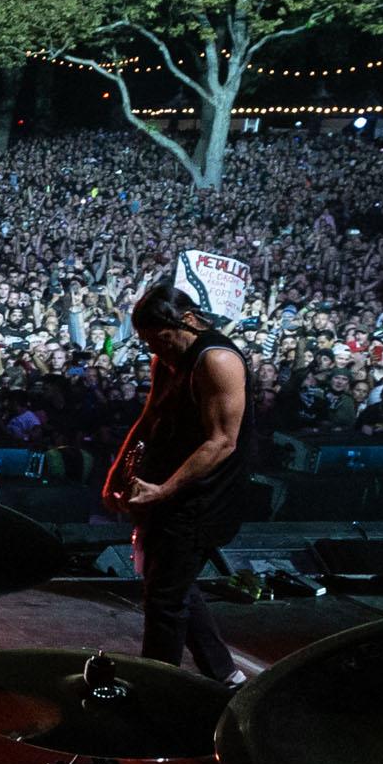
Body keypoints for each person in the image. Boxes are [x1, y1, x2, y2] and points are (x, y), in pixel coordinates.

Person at [104, 283, 251, 682]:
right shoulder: (166, 361)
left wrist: (164, 489)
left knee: (165, 599)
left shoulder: (217, 360)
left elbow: (222, 441)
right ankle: (225, 676)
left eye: (161, 339)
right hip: (167, 491)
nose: (156, 349)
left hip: (202, 497)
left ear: (186, 320)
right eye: (149, 343)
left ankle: (158, 688)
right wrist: (118, 470)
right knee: (171, 584)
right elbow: (150, 416)